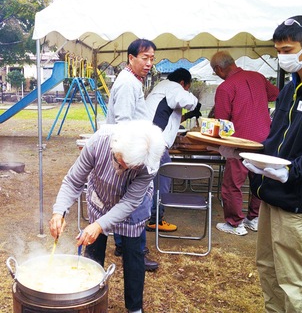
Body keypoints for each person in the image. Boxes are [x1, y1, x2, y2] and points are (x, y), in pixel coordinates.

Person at [241, 15, 302, 312]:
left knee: (298, 283)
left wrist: (289, 171)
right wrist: (248, 156)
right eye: (278, 50)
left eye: (288, 50)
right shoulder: (290, 90)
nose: (282, 57)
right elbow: (274, 141)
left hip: (300, 204)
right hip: (273, 197)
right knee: (269, 270)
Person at [49, 120, 166, 313]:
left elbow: (129, 203)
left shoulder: (149, 162)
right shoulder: (99, 142)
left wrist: (100, 225)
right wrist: (59, 211)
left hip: (132, 208)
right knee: (93, 250)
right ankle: (89, 299)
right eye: (124, 163)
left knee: (133, 254)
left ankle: (134, 307)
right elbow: (73, 181)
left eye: (133, 167)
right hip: (101, 197)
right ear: (117, 148)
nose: (126, 169)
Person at [209, 50, 279, 236]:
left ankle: (234, 223)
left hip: (240, 142)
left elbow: (222, 122)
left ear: (218, 69)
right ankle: (253, 218)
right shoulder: (258, 77)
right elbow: (276, 95)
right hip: (265, 139)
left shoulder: (225, 88)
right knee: (258, 179)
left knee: (233, 184)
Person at [106, 38, 159, 271]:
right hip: (129, 153)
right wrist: (128, 159)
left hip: (131, 151)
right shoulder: (128, 83)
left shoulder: (132, 81)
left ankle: (123, 244)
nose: (149, 63)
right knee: (136, 204)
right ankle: (136, 251)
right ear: (131, 58)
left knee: (124, 200)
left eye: (152, 59)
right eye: (145, 58)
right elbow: (124, 123)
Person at [145, 68, 201, 232]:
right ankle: (155, 219)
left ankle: (149, 216)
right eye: (188, 87)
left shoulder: (161, 89)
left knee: (147, 181)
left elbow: (169, 116)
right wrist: (197, 105)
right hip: (156, 143)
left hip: (147, 139)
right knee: (163, 179)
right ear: (183, 83)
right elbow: (190, 101)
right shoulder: (174, 88)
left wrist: (189, 116)